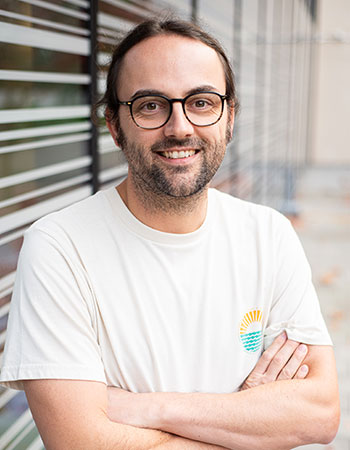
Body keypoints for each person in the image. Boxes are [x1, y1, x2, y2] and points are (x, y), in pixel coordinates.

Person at [0, 18, 339, 450]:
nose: (179, 127)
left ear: (229, 117)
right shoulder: (60, 247)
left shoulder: (268, 236)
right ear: (114, 126)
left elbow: (319, 414)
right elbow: (79, 441)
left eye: (201, 102)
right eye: (150, 105)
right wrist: (249, 424)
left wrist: (149, 408)